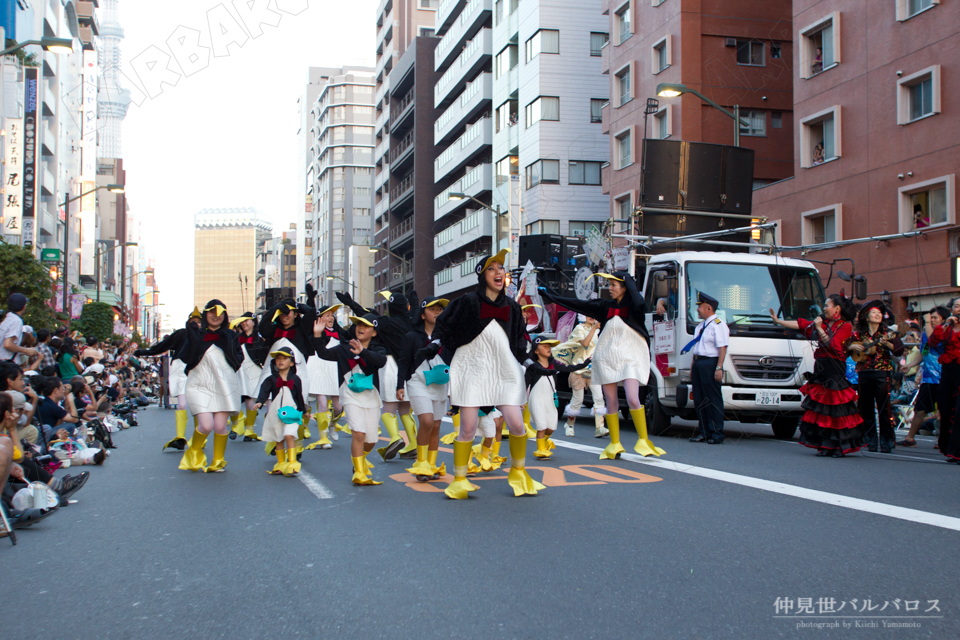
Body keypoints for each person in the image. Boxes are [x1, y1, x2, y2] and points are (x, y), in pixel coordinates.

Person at [423, 249, 545, 499]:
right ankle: (459, 479)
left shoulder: (512, 306)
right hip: (471, 367)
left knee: (517, 424)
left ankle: (519, 472)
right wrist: (435, 343)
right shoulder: (467, 301)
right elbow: (444, 325)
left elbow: (519, 341)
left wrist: (528, 362)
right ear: (482, 275)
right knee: (467, 428)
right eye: (492, 268)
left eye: (501, 267)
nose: (499, 272)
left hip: (503, 368)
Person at [539, 271, 665, 459]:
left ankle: (644, 440)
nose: (609, 288)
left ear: (624, 287)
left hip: (630, 356)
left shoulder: (634, 307)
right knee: (611, 401)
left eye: (614, 285)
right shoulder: (604, 306)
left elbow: (640, 303)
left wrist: (629, 280)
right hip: (607, 357)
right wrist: (550, 294)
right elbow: (578, 304)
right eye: (609, 284)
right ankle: (614, 444)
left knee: (632, 398)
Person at [771, 295, 862, 456]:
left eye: (827, 305)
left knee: (835, 409)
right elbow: (802, 324)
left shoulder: (845, 326)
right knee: (822, 409)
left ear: (837, 309)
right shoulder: (825, 323)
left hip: (834, 370)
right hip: (821, 368)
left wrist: (820, 329)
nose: (824, 308)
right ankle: (825, 444)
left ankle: (838, 446)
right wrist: (778, 322)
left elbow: (833, 345)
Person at [337, 289, 418, 461]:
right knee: (405, 408)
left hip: (390, 365)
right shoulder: (411, 321)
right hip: (408, 368)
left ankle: (395, 437)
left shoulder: (389, 323)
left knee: (388, 407)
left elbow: (368, 318)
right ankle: (413, 443)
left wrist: (351, 304)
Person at [314, 313, 388, 485]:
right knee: (358, 433)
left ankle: (360, 460)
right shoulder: (343, 348)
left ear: (374, 332)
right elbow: (323, 354)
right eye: (358, 324)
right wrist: (318, 335)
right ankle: (359, 472)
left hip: (371, 397)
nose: (361, 328)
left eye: (366, 326)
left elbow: (381, 361)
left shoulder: (378, 349)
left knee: (371, 440)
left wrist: (362, 352)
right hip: (350, 395)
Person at [178, 301, 243, 473]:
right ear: (205, 315)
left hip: (224, 385)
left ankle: (218, 461)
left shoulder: (231, 335)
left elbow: (238, 359)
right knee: (206, 425)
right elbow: (185, 357)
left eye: (220, 312)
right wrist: (192, 335)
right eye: (211, 311)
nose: (216, 315)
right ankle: (193, 453)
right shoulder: (197, 334)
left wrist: (227, 346)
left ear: (225, 315)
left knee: (221, 426)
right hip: (199, 384)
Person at [397, 296, 451, 481]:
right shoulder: (411, 337)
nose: (437, 312)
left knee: (436, 426)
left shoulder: (447, 337)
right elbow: (403, 362)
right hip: (417, 382)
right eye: (432, 309)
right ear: (422, 314)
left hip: (440, 385)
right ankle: (421, 464)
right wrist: (399, 385)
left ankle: (432, 465)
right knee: (427, 421)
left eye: (440, 309)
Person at [136, 308, 202, 450]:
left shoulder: (205, 336)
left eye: (199, 322)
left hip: (197, 370)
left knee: (197, 405)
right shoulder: (181, 334)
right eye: (193, 322)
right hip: (180, 368)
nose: (196, 325)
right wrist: (145, 352)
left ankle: (199, 437)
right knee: (182, 404)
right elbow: (162, 346)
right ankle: (180, 437)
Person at [258, 297, 317, 454]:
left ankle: (296, 445)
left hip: (297, 373)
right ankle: (275, 441)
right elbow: (262, 326)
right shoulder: (273, 329)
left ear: (295, 314)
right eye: (282, 313)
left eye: (288, 312)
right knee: (273, 409)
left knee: (296, 408)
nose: (285, 315)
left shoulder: (302, 328)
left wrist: (298, 306)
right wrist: (277, 307)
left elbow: (311, 313)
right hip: (274, 373)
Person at [849, 300, 904, 453]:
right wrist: (852, 346)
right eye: (874, 312)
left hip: (882, 372)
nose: (878, 315)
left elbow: (899, 350)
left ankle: (886, 441)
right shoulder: (858, 334)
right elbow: (846, 347)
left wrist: (888, 344)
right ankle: (869, 440)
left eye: (879, 313)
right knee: (865, 407)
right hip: (864, 372)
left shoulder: (887, 332)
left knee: (883, 408)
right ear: (867, 317)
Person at [525, 336, 590, 458]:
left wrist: (585, 363)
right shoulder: (533, 366)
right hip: (536, 398)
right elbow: (526, 383)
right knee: (541, 426)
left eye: (549, 346)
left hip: (550, 398)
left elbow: (569, 368)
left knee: (551, 427)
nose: (548, 348)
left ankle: (544, 441)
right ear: (536, 351)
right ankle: (540, 449)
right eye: (544, 346)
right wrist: (522, 399)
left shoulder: (553, 363)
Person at [684, 292, 729, 444]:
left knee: (713, 399)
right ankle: (704, 431)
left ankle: (717, 433)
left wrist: (719, 367)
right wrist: (692, 366)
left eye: (700, 307)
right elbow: (697, 347)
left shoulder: (718, 324)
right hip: (699, 363)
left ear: (708, 308)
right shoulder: (701, 326)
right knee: (699, 399)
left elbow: (722, 347)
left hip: (711, 363)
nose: (697, 310)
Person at [898, 308, 947, 447]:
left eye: (935, 318)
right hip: (928, 379)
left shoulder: (945, 333)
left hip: (943, 378)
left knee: (944, 411)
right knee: (920, 409)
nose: (931, 320)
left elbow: (934, 341)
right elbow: (923, 352)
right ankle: (910, 438)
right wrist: (910, 365)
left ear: (943, 320)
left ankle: (942, 440)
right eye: (930, 317)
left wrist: (926, 322)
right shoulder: (926, 334)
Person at [553, 315, 607, 438]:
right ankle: (570, 424)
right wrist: (593, 329)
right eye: (588, 315)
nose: (591, 317)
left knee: (599, 397)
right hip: (577, 369)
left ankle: (600, 427)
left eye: (593, 315)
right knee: (578, 400)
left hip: (592, 369)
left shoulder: (598, 330)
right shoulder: (579, 328)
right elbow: (585, 344)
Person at [254, 347, 306, 476]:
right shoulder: (271, 379)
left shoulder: (296, 379)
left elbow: (299, 396)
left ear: (292, 362)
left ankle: (293, 462)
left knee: (289, 434)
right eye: (278, 358)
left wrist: (303, 411)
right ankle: (281, 463)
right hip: (276, 412)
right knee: (278, 437)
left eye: (285, 358)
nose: (281, 361)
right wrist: (260, 402)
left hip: (292, 412)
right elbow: (264, 391)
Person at [304, 302, 346, 451]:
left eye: (332, 315)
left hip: (334, 369)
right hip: (318, 368)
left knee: (338, 407)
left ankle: (333, 425)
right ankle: (323, 437)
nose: (331, 318)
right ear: (320, 318)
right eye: (327, 315)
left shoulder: (339, 332)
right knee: (322, 404)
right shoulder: (314, 331)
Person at [929, 298, 960, 462]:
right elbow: (932, 343)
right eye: (956, 306)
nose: (959, 309)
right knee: (946, 407)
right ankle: (949, 447)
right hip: (949, 372)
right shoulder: (947, 327)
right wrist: (945, 325)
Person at [229, 311, 264, 442]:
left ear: (253, 322)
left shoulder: (260, 339)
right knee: (232, 402)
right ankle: (238, 423)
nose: (244, 323)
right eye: (242, 321)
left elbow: (263, 356)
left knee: (251, 403)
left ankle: (249, 429)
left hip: (254, 372)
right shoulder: (236, 339)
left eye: (247, 320)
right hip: (239, 372)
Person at [0, 293, 37, 363]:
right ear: (23, 306)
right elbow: (7, 344)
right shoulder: (16, 320)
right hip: (7, 364)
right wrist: (26, 350)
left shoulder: (7, 319)